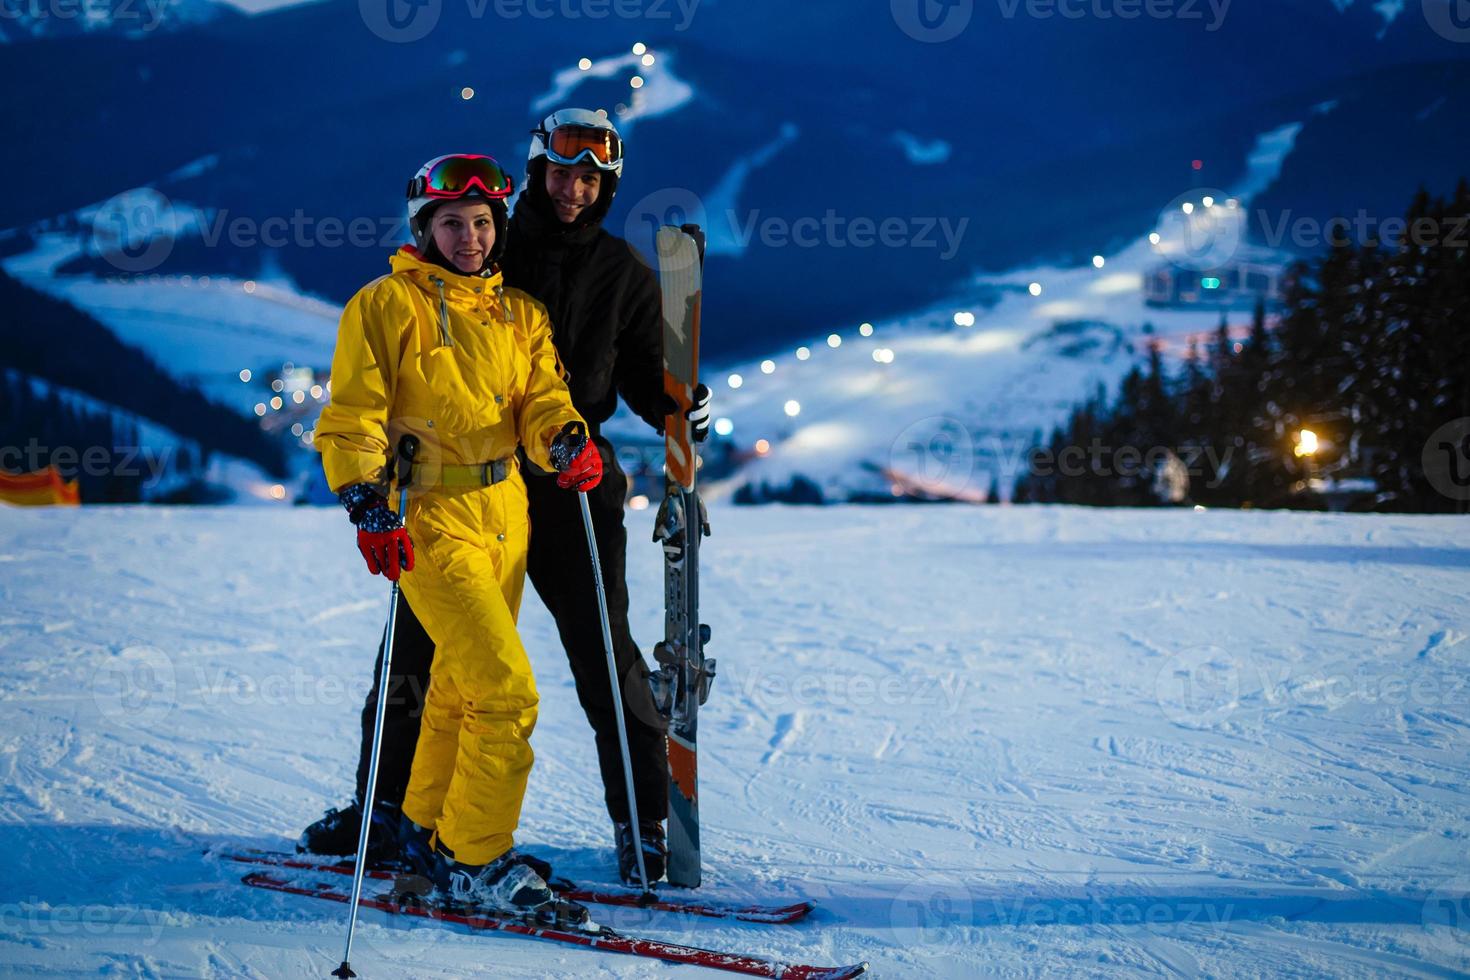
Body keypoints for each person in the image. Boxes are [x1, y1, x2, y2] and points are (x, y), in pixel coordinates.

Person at [300, 112, 710, 886]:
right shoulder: (487, 242)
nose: (573, 189)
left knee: (601, 649)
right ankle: (389, 812)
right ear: (534, 174)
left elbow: (632, 377)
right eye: (561, 173)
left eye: (590, 178)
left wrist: (675, 407)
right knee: (422, 658)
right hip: (459, 493)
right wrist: (371, 494)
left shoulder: (621, 273)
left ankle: (642, 819)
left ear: (607, 187)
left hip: (568, 484)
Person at [314, 152, 603, 915]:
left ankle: (429, 836)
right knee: (506, 692)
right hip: (432, 516)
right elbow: (352, 416)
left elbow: (542, 401)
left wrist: (566, 440)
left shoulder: (518, 314)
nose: (469, 237)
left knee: (456, 687)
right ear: (424, 228)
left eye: (481, 223)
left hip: (508, 510)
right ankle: (479, 859)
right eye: (452, 223)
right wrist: (366, 504)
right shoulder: (385, 306)